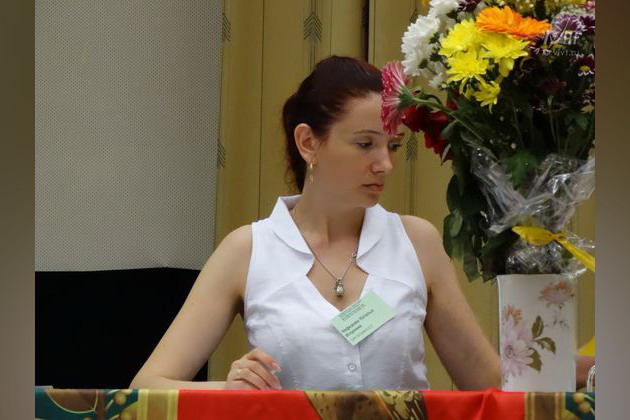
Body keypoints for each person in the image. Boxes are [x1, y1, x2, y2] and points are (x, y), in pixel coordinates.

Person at [130, 55, 501, 391]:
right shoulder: (248, 250)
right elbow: (147, 387)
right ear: (308, 142)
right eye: (365, 144)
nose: (385, 165)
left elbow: (493, 388)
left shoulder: (417, 242)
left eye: (392, 146)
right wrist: (229, 393)